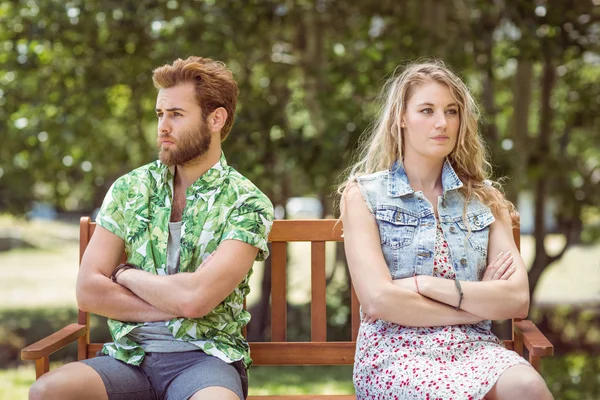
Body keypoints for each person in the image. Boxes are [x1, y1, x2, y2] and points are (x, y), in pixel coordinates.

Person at [29, 56, 274, 400]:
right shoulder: (130, 189)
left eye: (176, 114)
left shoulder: (247, 202)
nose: (163, 126)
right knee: (47, 392)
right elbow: (88, 290)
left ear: (216, 118)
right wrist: (179, 300)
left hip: (205, 359)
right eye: (160, 114)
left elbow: (195, 299)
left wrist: (125, 274)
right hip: (130, 358)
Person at [339, 60, 553, 399]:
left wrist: (425, 285)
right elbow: (380, 300)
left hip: (475, 347)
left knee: (528, 387)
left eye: (451, 112)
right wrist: (475, 305)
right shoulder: (364, 195)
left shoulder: (484, 199)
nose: (442, 123)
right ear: (401, 118)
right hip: (396, 352)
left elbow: (516, 300)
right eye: (427, 110)